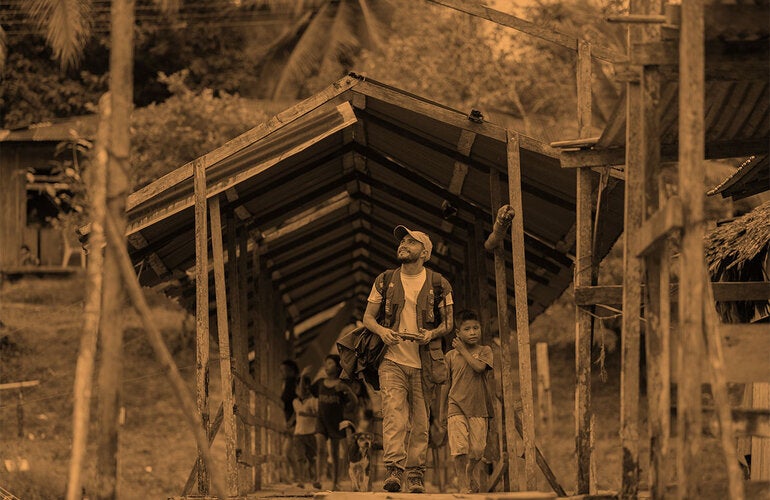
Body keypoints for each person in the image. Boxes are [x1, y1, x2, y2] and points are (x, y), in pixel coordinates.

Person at [362, 225, 454, 493]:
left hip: (425, 362)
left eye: (411, 242)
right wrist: (382, 331)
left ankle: (415, 474)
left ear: (425, 253)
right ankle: (394, 470)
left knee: (421, 422)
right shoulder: (384, 279)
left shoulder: (439, 284)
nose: (403, 244)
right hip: (391, 360)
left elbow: (448, 324)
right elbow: (368, 318)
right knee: (394, 416)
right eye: (402, 241)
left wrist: (431, 334)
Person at [438, 309, 494, 493]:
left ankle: (469, 471)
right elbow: (446, 384)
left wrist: (462, 350)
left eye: (476, 328)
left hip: (479, 407)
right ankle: (462, 484)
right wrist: (441, 410)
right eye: (467, 329)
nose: (472, 332)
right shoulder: (450, 356)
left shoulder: (485, 351)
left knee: (478, 449)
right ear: (458, 333)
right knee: (460, 447)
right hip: (455, 406)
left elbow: (479, 368)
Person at [313, 354, 358, 490]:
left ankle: (335, 482)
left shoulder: (341, 385)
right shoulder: (320, 383)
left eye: (330, 363)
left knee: (334, 452)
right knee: (321, 448)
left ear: (338, 367)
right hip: (321, 420)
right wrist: (303, 378)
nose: (326, 366)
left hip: (336, 422)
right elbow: (305, 394)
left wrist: (348, 391)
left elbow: (354, 403)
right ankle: (318, 478)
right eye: (325, 364)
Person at [292, 375, 318, 487]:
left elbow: (318, 415)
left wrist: (307, 414)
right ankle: (301, 480)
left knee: (312, 458)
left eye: (303, 387)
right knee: (300, 458)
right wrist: (290, 423)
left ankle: (314, 480)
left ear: (308, 387)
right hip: (298, 434)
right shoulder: (295, 402)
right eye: (299, 387)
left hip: (311, 433)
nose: (301, 390)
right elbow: (296, 415)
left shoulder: (313, 401)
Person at [279, 360, 300, 481]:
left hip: (294, 421)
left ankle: (293, 476)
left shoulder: (293, 384)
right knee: (289, 451)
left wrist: (291, 421)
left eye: (285, 370)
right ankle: (296, 476)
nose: (282, 373)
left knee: (287, 451)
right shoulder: (287, 384)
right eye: (281, 370)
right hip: (290, 421)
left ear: (292, 371)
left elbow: (297, 405)